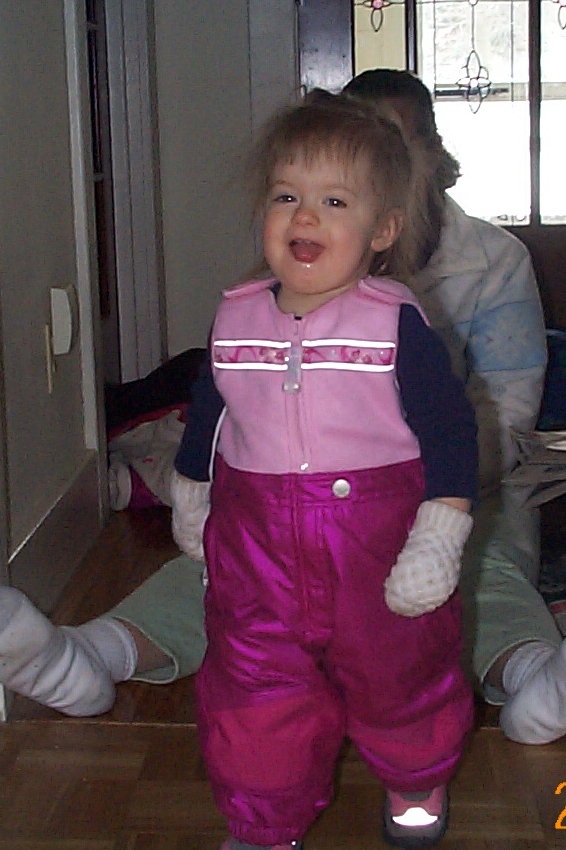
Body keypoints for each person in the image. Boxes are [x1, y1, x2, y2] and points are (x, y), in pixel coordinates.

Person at [0, 69, 566, 757]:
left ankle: (535, 678)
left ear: (433, 159)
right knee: (225, 571)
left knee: (476, 577)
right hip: (301, 505)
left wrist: (425, 507)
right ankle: (93, 654)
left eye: (396, 146)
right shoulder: (300, 255)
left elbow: (505, 406)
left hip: (456, 489)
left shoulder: (494, 261)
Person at [169, 90, 476, 850]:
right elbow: (209, 411)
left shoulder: (394, 326)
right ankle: (263, 822)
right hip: (258, 555)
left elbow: (450, 432)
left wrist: (440, 532)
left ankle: (415, 779)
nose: (304, 217)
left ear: (383, 230)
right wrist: (192, 493)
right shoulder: (236, 318)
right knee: (254, 690)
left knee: (401, 672)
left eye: (334, 202)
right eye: (286, 197)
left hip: (375, 549)